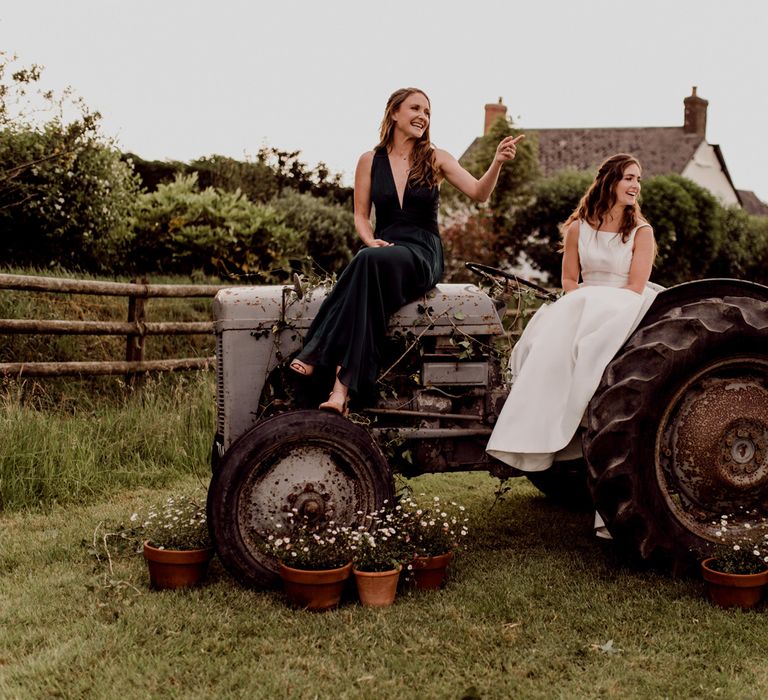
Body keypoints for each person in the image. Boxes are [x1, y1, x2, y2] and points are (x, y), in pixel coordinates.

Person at [290, 87, 523, 414]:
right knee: (368, 294)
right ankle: (340, 394)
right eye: (415, 108)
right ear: (394, 113)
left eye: (427, 112)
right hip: (383, 250)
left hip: (422, 252)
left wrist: (497, 162)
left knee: (364, 261)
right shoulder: (369, 161)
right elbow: (360, 215)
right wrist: (370, 239)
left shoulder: (437, 157)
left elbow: (479, 192)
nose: (422, 117)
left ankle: (314, 352)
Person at [486, 154, 658, 535]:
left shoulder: (641, 231)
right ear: (610, 180)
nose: (635, 185)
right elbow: (568, 280)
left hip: (624, 304)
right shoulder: (579, 227)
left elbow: (634, 286)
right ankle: (540, 433)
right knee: (559, 330)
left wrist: (592, 302)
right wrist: (581, 301)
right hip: (583, 300)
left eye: (639, 179)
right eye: (629, 178)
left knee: (591, 330)